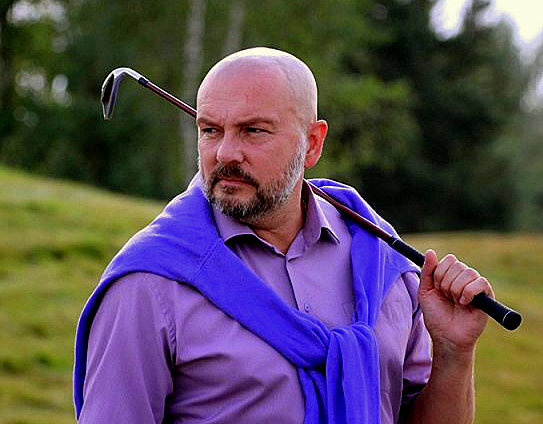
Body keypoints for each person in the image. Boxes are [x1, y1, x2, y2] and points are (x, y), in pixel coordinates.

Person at [74, 47, 493, 424]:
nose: (225, 153)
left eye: (253, 131)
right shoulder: (149, 284)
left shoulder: (384, 264)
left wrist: (453, 353)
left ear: (312, 144)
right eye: (210, 130)